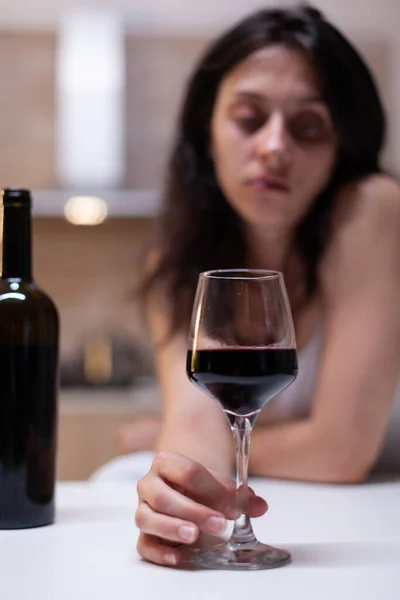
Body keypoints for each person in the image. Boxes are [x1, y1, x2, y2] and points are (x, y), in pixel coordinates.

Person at [113, 5, 400, 566]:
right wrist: (181, 501)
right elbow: (195, 427)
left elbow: (341, 453)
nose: (273, 146)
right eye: (249, 118)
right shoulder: (174, 261)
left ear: (341, 147)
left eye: (308, 127)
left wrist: (158, 440)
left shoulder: (372, 209)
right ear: (207, 131)